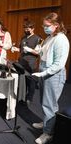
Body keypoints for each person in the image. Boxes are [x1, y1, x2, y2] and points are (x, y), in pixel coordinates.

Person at [31, 12, 70, 144]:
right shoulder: (50, 37)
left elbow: (59, 64)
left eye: (47, 25)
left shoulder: (61, 39)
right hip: (44, 71)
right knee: (44, 101)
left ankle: (48, 133)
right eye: (43, 25)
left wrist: (42, 74)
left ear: (56, 25)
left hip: (53, 75)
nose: (44, 28)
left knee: (50, 105)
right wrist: (38, 50)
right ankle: (47, 123)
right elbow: (44, 53)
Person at [17, 20, 41, 104]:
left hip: (31, 64)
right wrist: (15, 49)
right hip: (22, 63)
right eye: (25, 28)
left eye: (28, 29)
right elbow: (20, 49)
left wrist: (30, 50)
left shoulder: (37, 38)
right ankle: (22, 96)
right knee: (23, 81)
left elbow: (38, 52)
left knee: (31, 82)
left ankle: (29, 98)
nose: (26, 30)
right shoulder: (23, 38)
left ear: (33, 29)